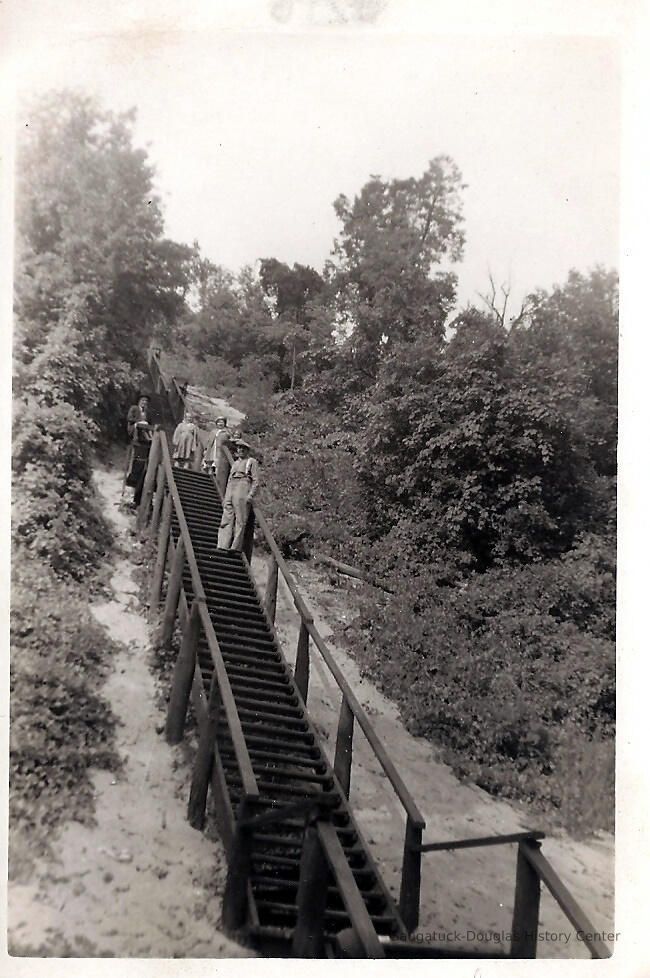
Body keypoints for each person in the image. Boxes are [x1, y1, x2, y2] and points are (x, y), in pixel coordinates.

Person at [217, 439, 261, 553]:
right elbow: (230, 478)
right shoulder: (235, 463)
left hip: (243, 485)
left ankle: (235, 546)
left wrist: (250, 495)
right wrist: (227, 494)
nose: (240, 450)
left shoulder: (251, 462)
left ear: (247, 450)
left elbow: (256, 480)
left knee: (240, 519)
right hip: (232, 486)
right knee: (227, 515)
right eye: (239, 448)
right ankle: (223, 544)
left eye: (243, 448)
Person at [126, 393, 154, 507]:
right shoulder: (134, 409)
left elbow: (150, 423)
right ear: (139, 401)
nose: (144, 403)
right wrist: (137, 423)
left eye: (146, 402)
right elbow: (129, 419)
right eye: (143, 401)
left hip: (144, 433)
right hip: (135, 430)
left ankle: (149, 441)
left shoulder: (147, 412)